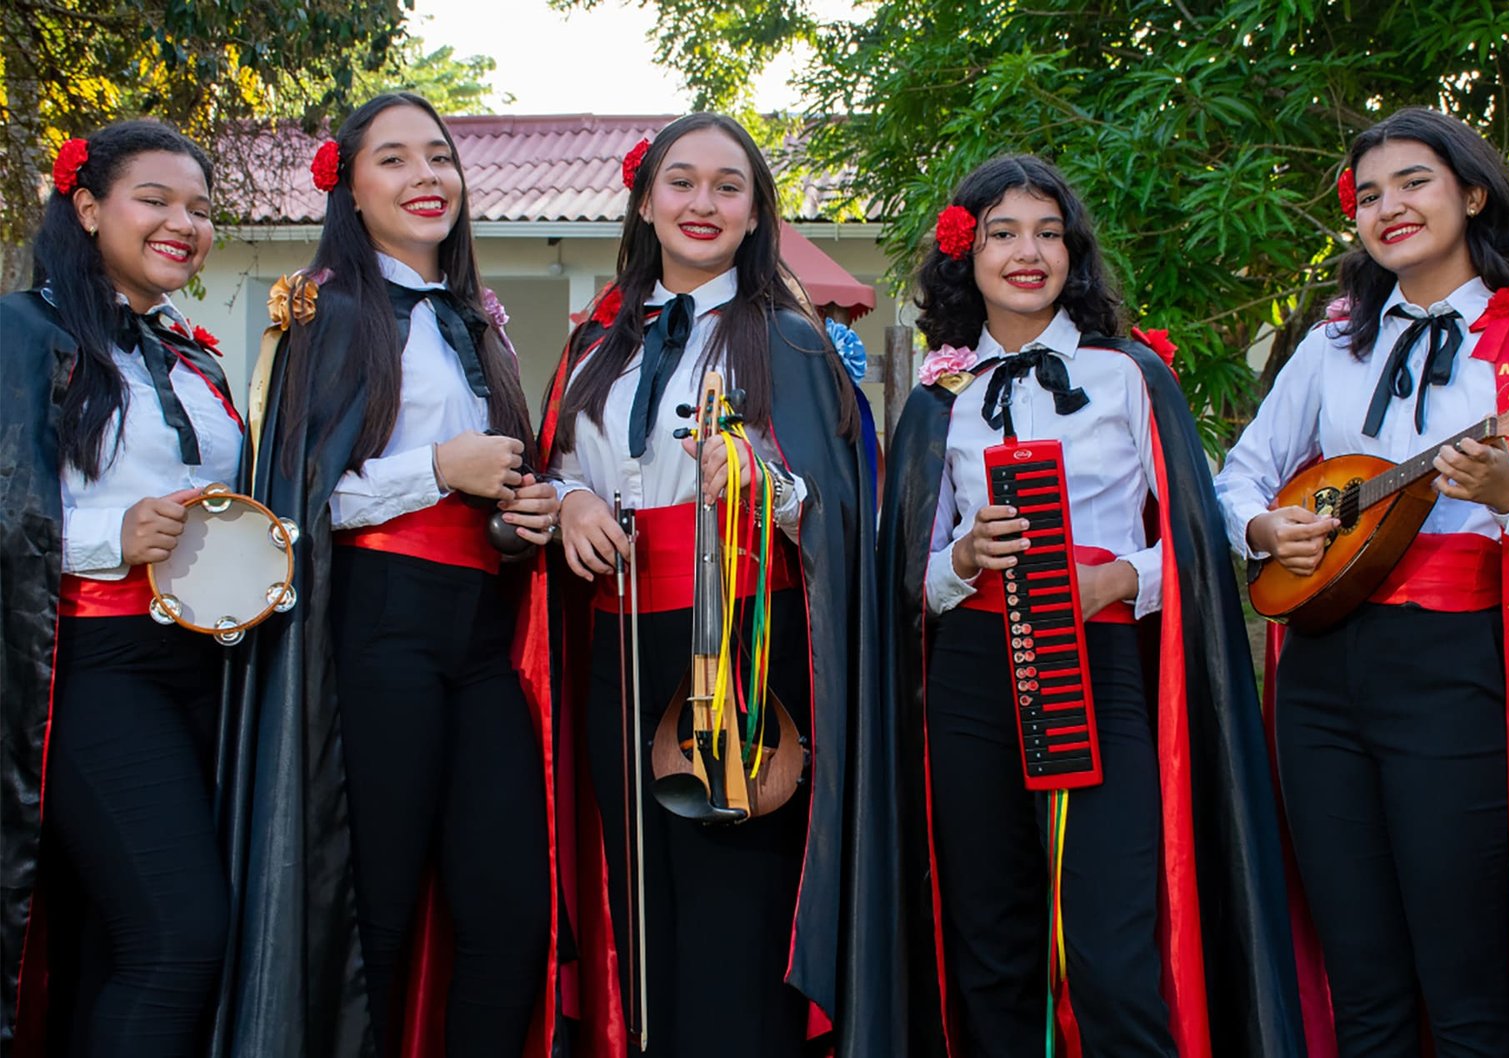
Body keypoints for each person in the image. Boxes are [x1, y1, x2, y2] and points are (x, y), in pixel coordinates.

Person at [880, 154, 1304, 1058]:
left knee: (1109, 943)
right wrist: (958, 560)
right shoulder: (936, 396)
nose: (1027, 253)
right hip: (970, 676)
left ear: (1074, 252)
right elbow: (904, 574)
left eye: (1048, 233)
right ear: (969, 253)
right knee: (990, 940)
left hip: (1098, 664)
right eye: (1002, 233)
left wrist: (1118, 581)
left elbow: (1196, 537)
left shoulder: (1128, 375)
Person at [1215, 106, 1509, 1057]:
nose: (1389, 206)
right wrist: (1264, 526)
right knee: (1363, 977)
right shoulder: (1334, 340)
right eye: (1371, 192)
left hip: (1457, 671)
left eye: (1415, 182)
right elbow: (1240, 475)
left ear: (1473, 193)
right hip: (1318, 677)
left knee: (1466, 971)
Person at [537, 112, 895, 1058]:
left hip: (748, 632)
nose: (703, 202)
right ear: (647, 199)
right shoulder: (594, 345)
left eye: (726, 186)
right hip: (617, 637)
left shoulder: (791, 340)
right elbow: (565, 462)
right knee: (641, 895)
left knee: (739, 897)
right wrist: (569, 499)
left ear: (753, 213)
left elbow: (842, 510)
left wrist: (756, 484)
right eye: (683, 181)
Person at [225, 92, 557, 1057]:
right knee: (373, 913)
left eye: (440, 158)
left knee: (511, 915)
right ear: (350, 188)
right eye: (395, 160)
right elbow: (299, 498)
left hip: (480, 633)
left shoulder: (477, 320)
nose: (426, 178)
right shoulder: (322, 311)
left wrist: (515, 517)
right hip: (376, 626)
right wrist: (441, 469)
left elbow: (487, 484)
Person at [0, 121, 237, 1056]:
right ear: (89, 207)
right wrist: (110, 535)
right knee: (180, 936)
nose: (183, 223)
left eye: (201, 209)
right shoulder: (25, 331)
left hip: (206, 666)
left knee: (114, 939)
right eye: (156, 200)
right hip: (88, 667)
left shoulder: (194, 356)